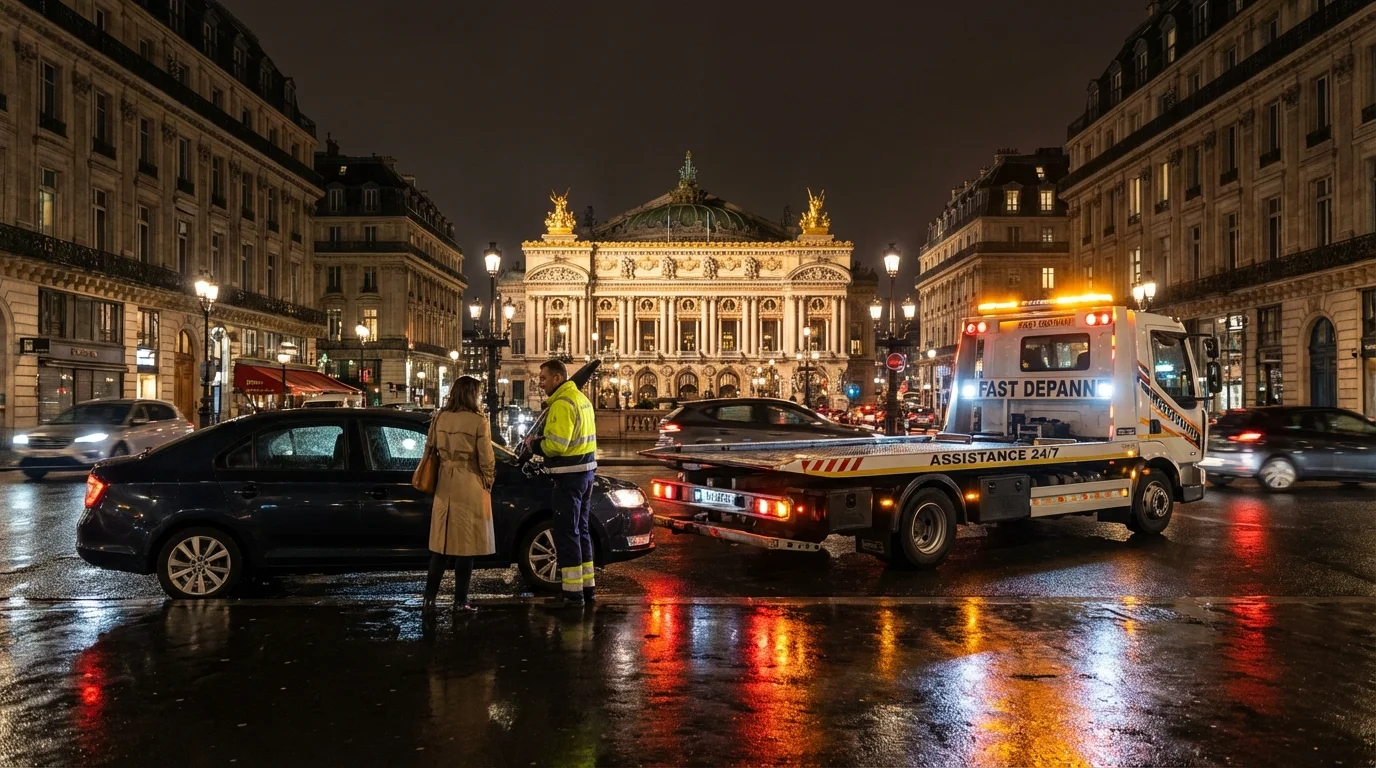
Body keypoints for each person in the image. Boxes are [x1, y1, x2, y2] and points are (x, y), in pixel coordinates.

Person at [527, 359, 598, 607]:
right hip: (586, 473)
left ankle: (572, 594)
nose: (540, 382)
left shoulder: (561, 404)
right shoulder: (581, 399)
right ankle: (587, 588)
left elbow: (557, 445)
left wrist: (535, 444)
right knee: (582, 531)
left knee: (567, 533)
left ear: (558, 378)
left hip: (568, 476)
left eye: (543, 378)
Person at [422, 375, 496, 613]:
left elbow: (430, 447)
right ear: (471, 394)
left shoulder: (439, 417)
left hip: (445, 482)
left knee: (440, 545)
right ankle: (459, 601)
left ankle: (429, 599)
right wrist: (489, 480)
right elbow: (486, 458)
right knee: (466, 547)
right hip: (469, 482)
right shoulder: (478, 421)